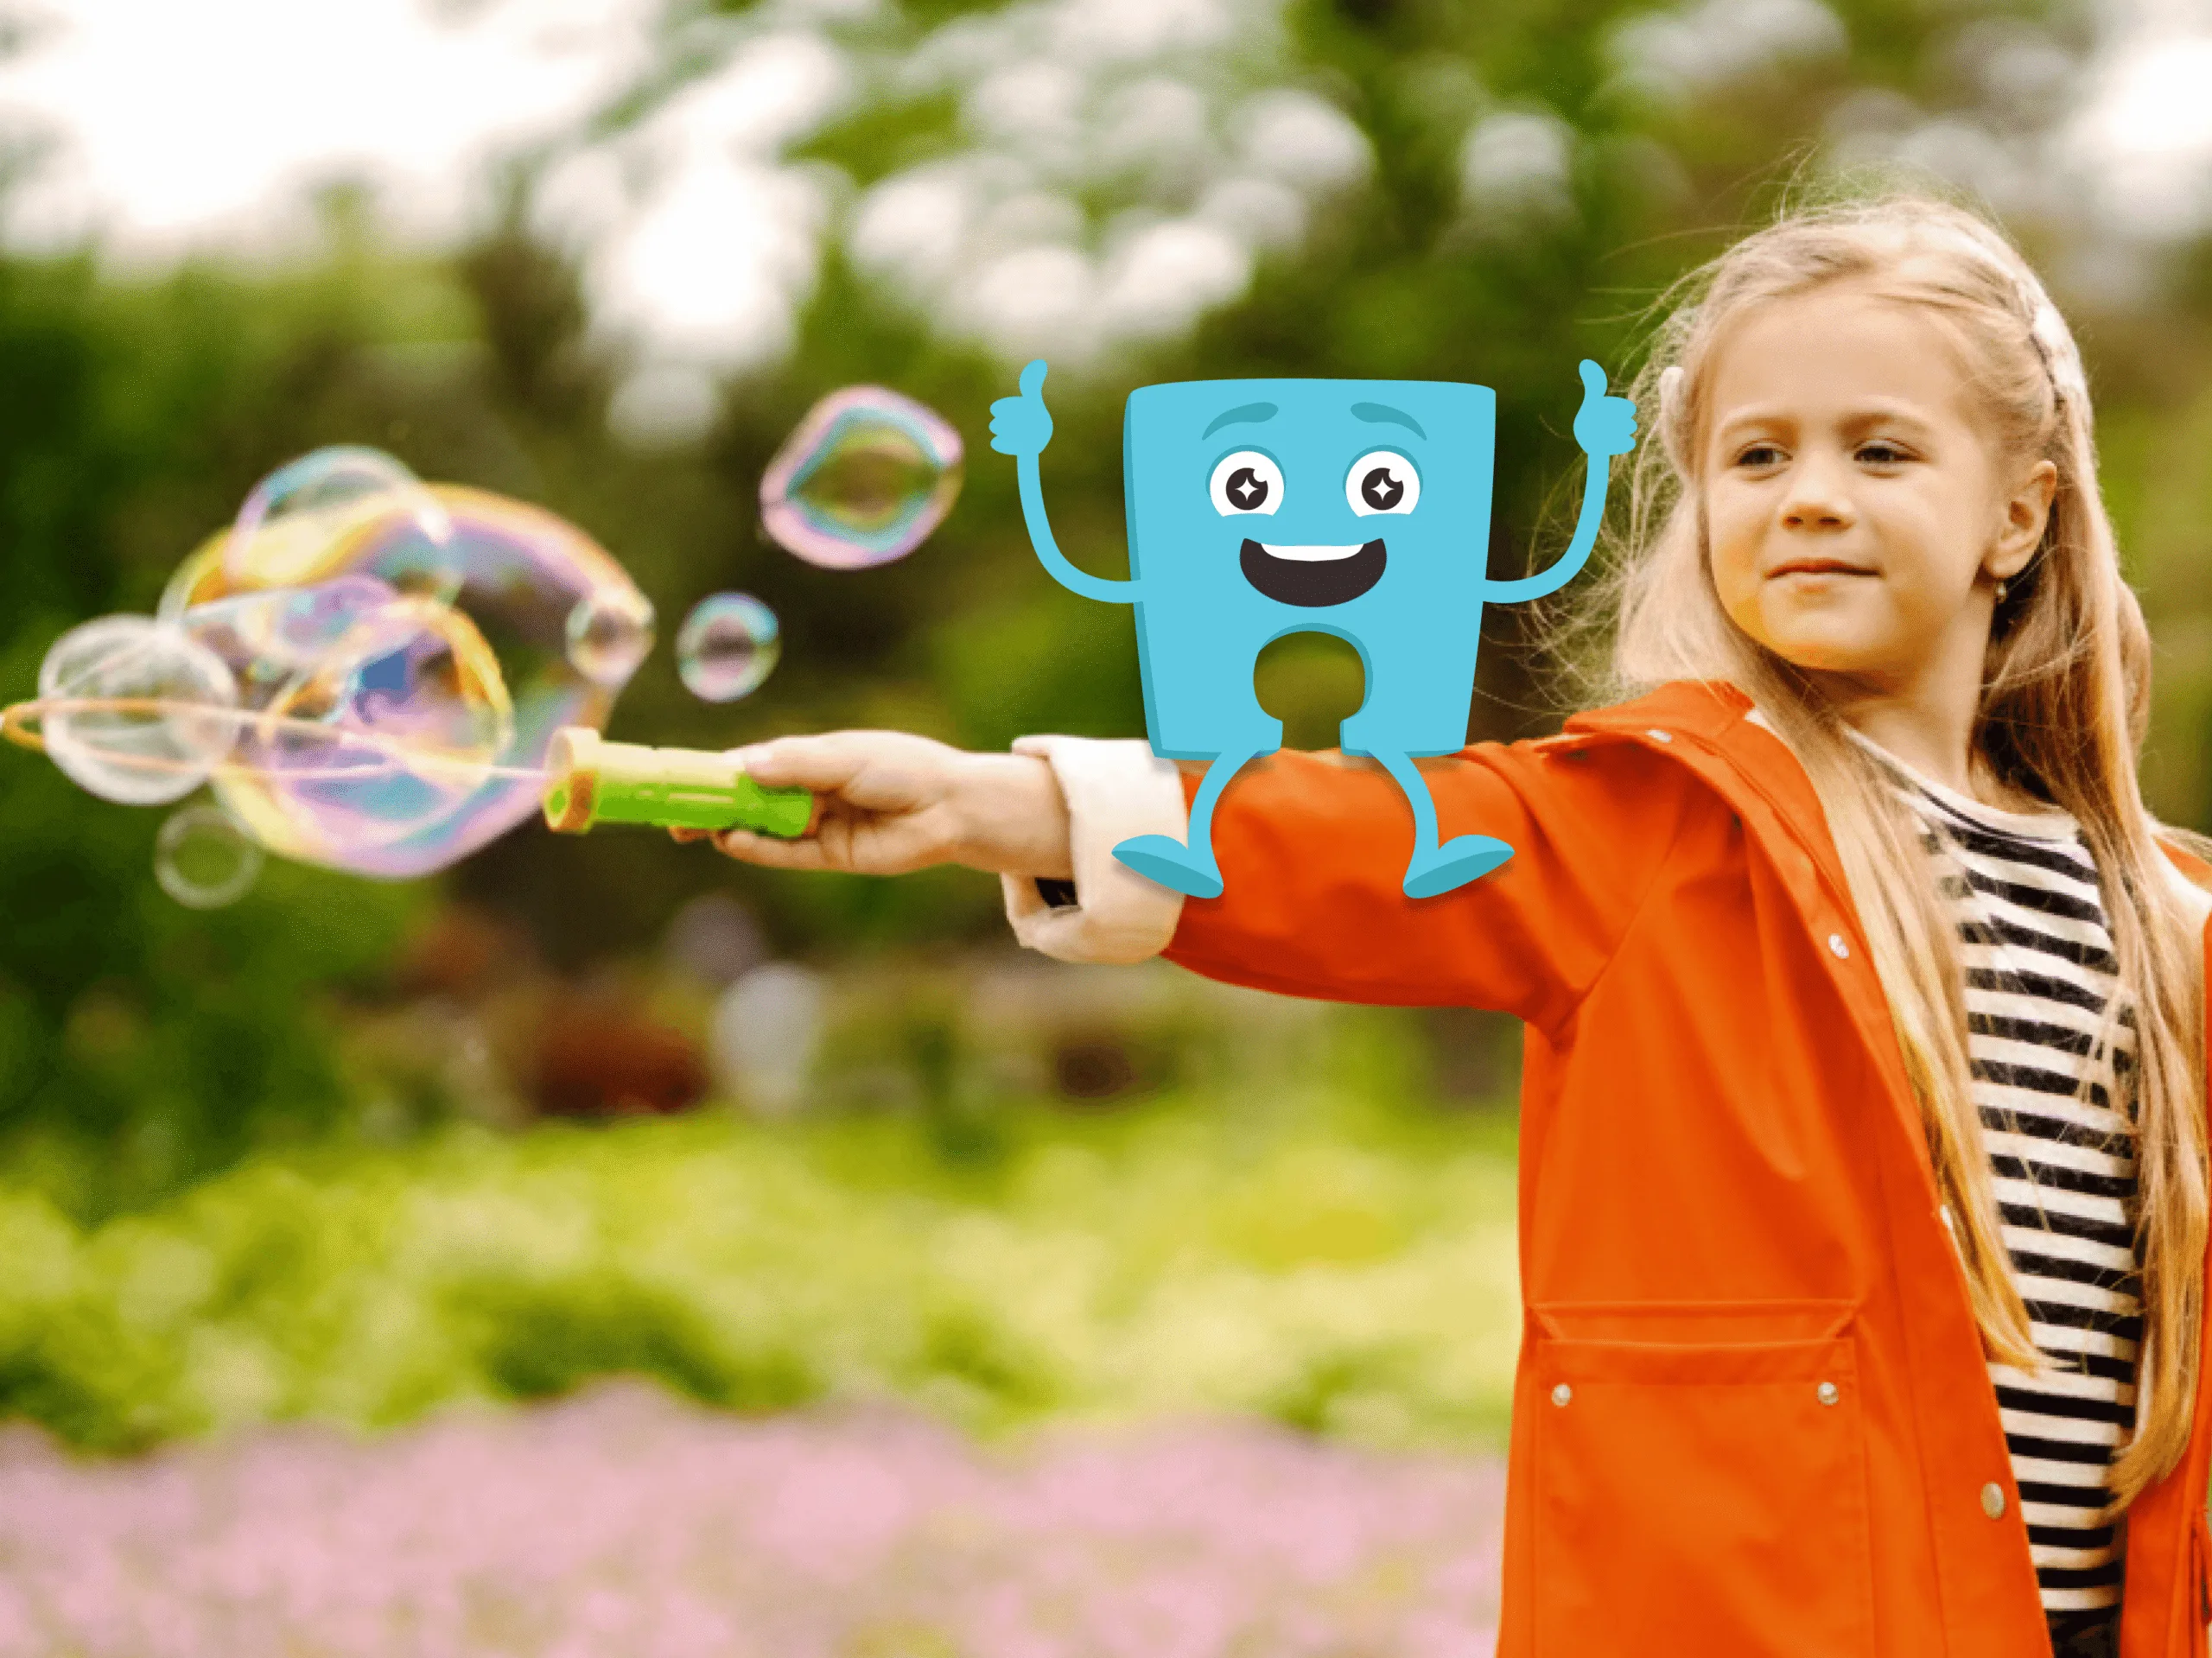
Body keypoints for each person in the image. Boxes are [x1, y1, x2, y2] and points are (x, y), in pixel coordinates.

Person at [684, 191, 2212, 1658]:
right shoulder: (1650, 826)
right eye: (1756, 456)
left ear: (2018, 513)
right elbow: (1334, 838)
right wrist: (992, 803)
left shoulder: (2166, 915)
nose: (1810, 492)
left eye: (1881, 449)